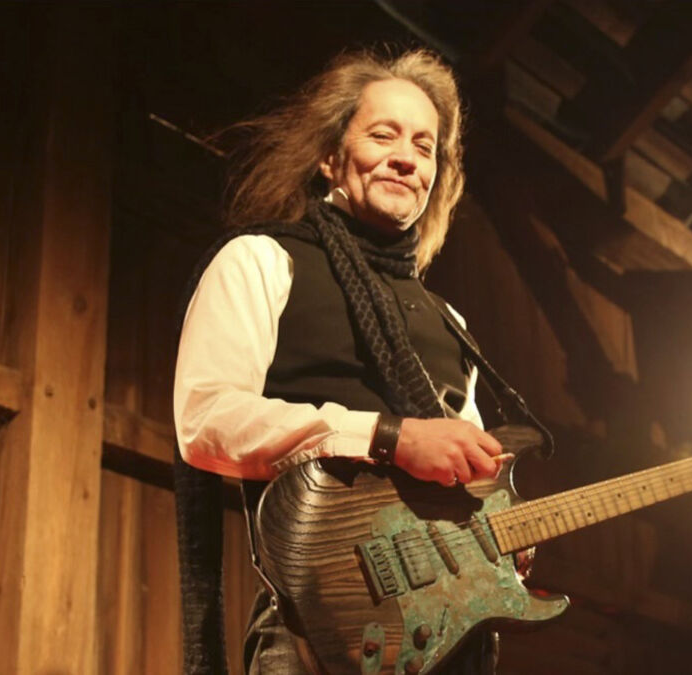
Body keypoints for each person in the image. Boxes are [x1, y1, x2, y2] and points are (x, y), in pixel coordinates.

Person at [172, 48, 509, 674]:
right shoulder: (261, 260)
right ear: (330, 157)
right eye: (383, 135)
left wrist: (499, 538)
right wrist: (388, 437)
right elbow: (205, 420)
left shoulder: (451, 325)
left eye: (425, 146)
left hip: (448, 642)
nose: (407, 157)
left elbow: (475, 482)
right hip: (314, 639)